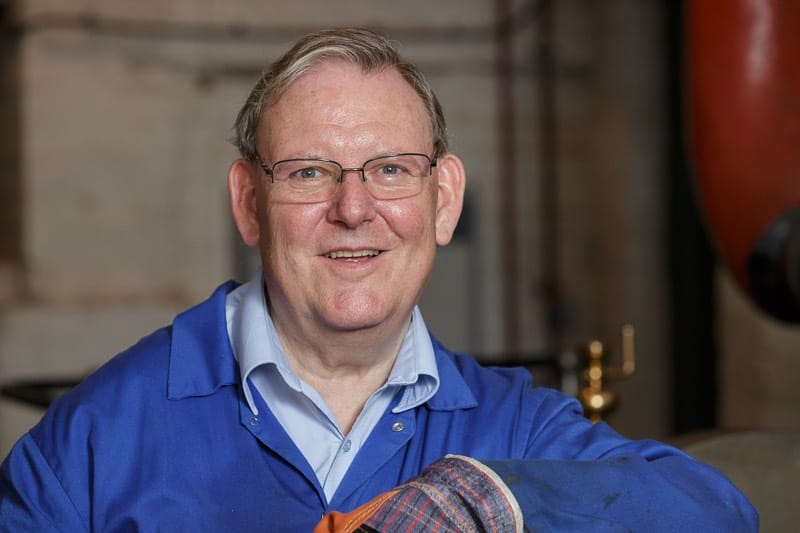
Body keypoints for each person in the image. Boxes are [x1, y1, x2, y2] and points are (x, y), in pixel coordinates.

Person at [0, 28, 757, 532]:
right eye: (308, 172)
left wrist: (481, 500)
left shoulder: (509, 428)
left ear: (444, 200)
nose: (354, 208)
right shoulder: (99, 439)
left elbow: (718, 510)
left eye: (391, 170)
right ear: (249, 203)